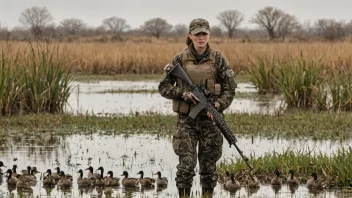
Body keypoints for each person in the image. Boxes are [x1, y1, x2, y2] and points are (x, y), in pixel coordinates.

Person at [158, 18, 237, 197]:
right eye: (197, 34)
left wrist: (217, 105)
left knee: (209, 169)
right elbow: (163, 87)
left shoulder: (218, 59)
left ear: (209, 35)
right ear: (190, 36)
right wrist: (184, 94)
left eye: (204, 34)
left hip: (211, 121)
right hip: (187, 121)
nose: (201, 37)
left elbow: (230, 88)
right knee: (186, 167)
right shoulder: (179, 59)